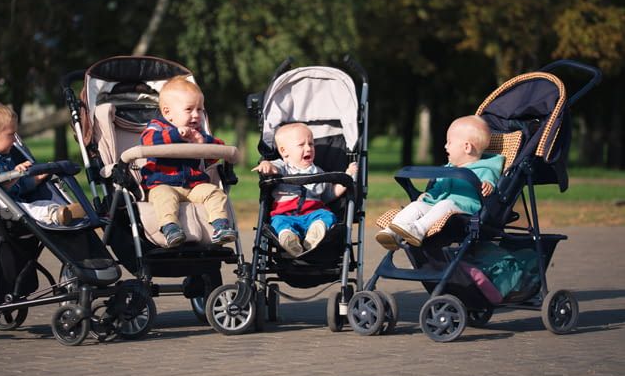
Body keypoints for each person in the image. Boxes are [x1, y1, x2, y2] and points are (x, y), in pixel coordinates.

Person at [375, 115, 505, 250]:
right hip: (436, 206)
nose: (445, 146)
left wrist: (488, 185)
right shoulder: (448, 169)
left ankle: (418, 230)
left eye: (449, 142)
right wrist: (427, 196)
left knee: (446, 204)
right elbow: (438, 188)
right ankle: (392, 232)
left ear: (467, 147)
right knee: (416, 206)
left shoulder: (485, 168)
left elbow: (490, 182)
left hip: (463, 210)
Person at [140, 75, 237, 248]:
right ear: (167, 112)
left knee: (214, 192)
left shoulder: (198, 133)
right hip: (163, 184)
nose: (196, 115)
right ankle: (170, 227)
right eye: (189, 109)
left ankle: (220, 226)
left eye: (200, 110)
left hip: (194, 186)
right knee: (164, 197)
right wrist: (177, 134)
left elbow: (216, 152)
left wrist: (204, 143)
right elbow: (148, 141)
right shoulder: (157, 127)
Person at [0, 101, 85, 225]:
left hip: (18, 203)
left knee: (41, 205)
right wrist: (13, 176)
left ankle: (62, 211)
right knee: (31, 210)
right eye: (11, 134)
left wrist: (37, 178)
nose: (15, 140)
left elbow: (20, 187)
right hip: (1, 209)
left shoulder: (5, 156)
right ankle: (55, 215)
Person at [252, 122, 358, 257]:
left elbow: (329, 194)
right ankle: (289, 239)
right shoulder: (283, 166)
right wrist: (266, 165)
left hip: (313, 215)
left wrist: (347, 176)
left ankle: (315, 234)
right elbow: (273, 168)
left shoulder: (318, 171)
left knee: (328, 216)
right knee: (277, 222)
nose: (308, 148)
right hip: (286, 215)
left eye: (311, 144)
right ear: (284, 151)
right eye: (301, 145)